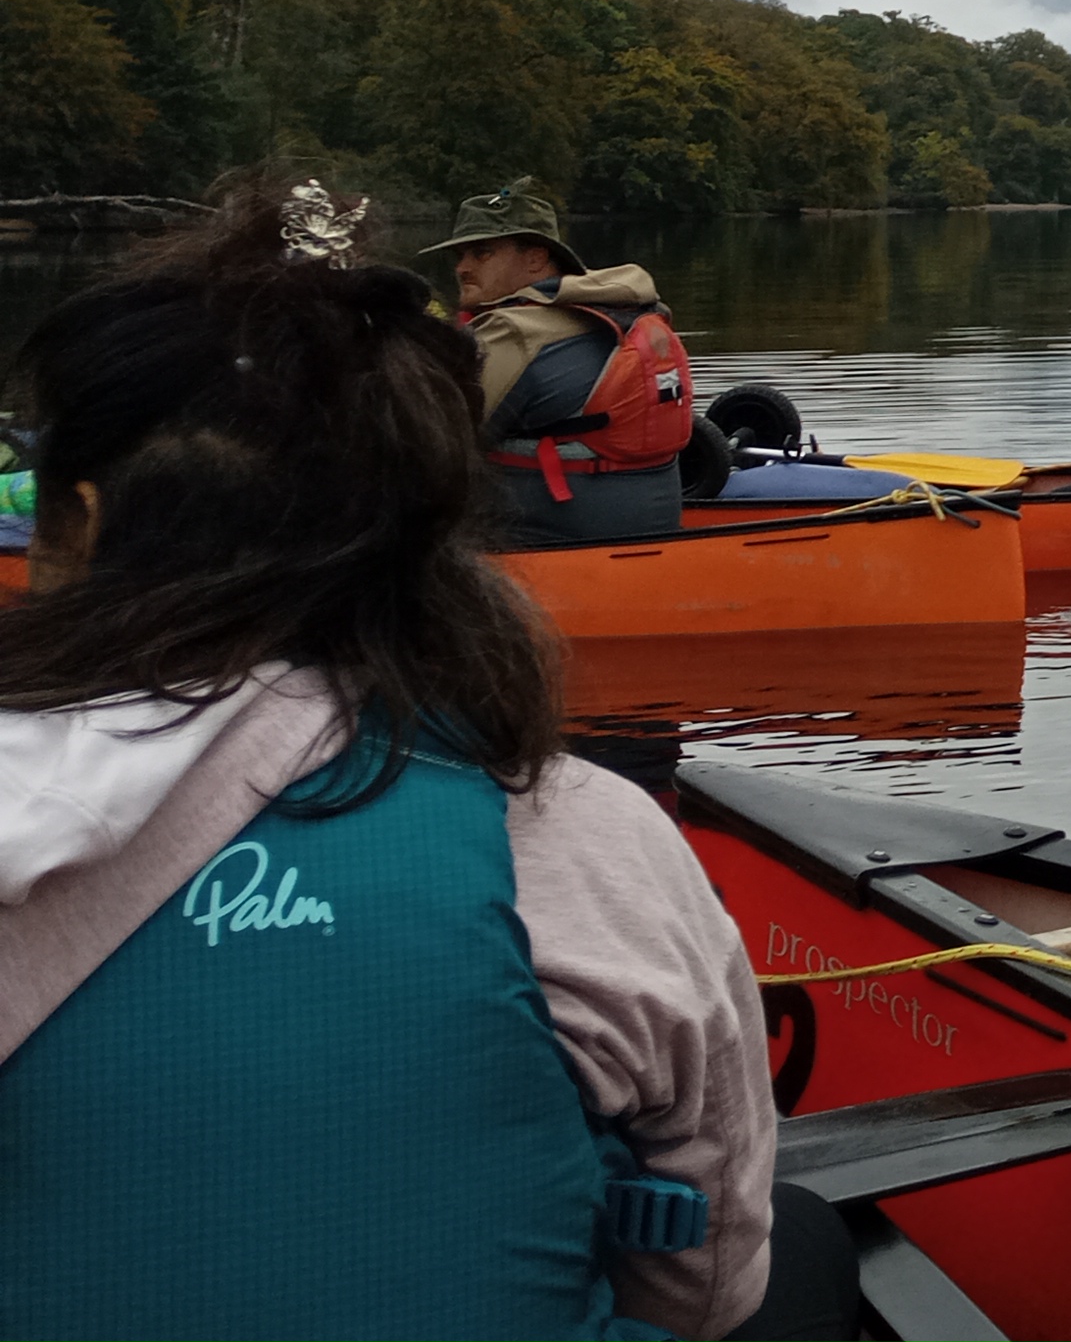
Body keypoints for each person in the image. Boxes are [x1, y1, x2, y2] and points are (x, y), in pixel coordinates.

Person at [0, 184, 851, 1340]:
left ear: (83, 526)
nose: (460, 276)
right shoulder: (586, 831)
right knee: (800, 1239)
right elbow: (708, 1283)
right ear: (426, 527)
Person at [424, 178, 698, 546]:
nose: (462, 267)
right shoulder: (629, 309)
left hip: (550, 541)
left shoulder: (514, 333)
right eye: (460, 256)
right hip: (653, 525)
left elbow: (434, 446)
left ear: (536, 258)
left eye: (482, 252)